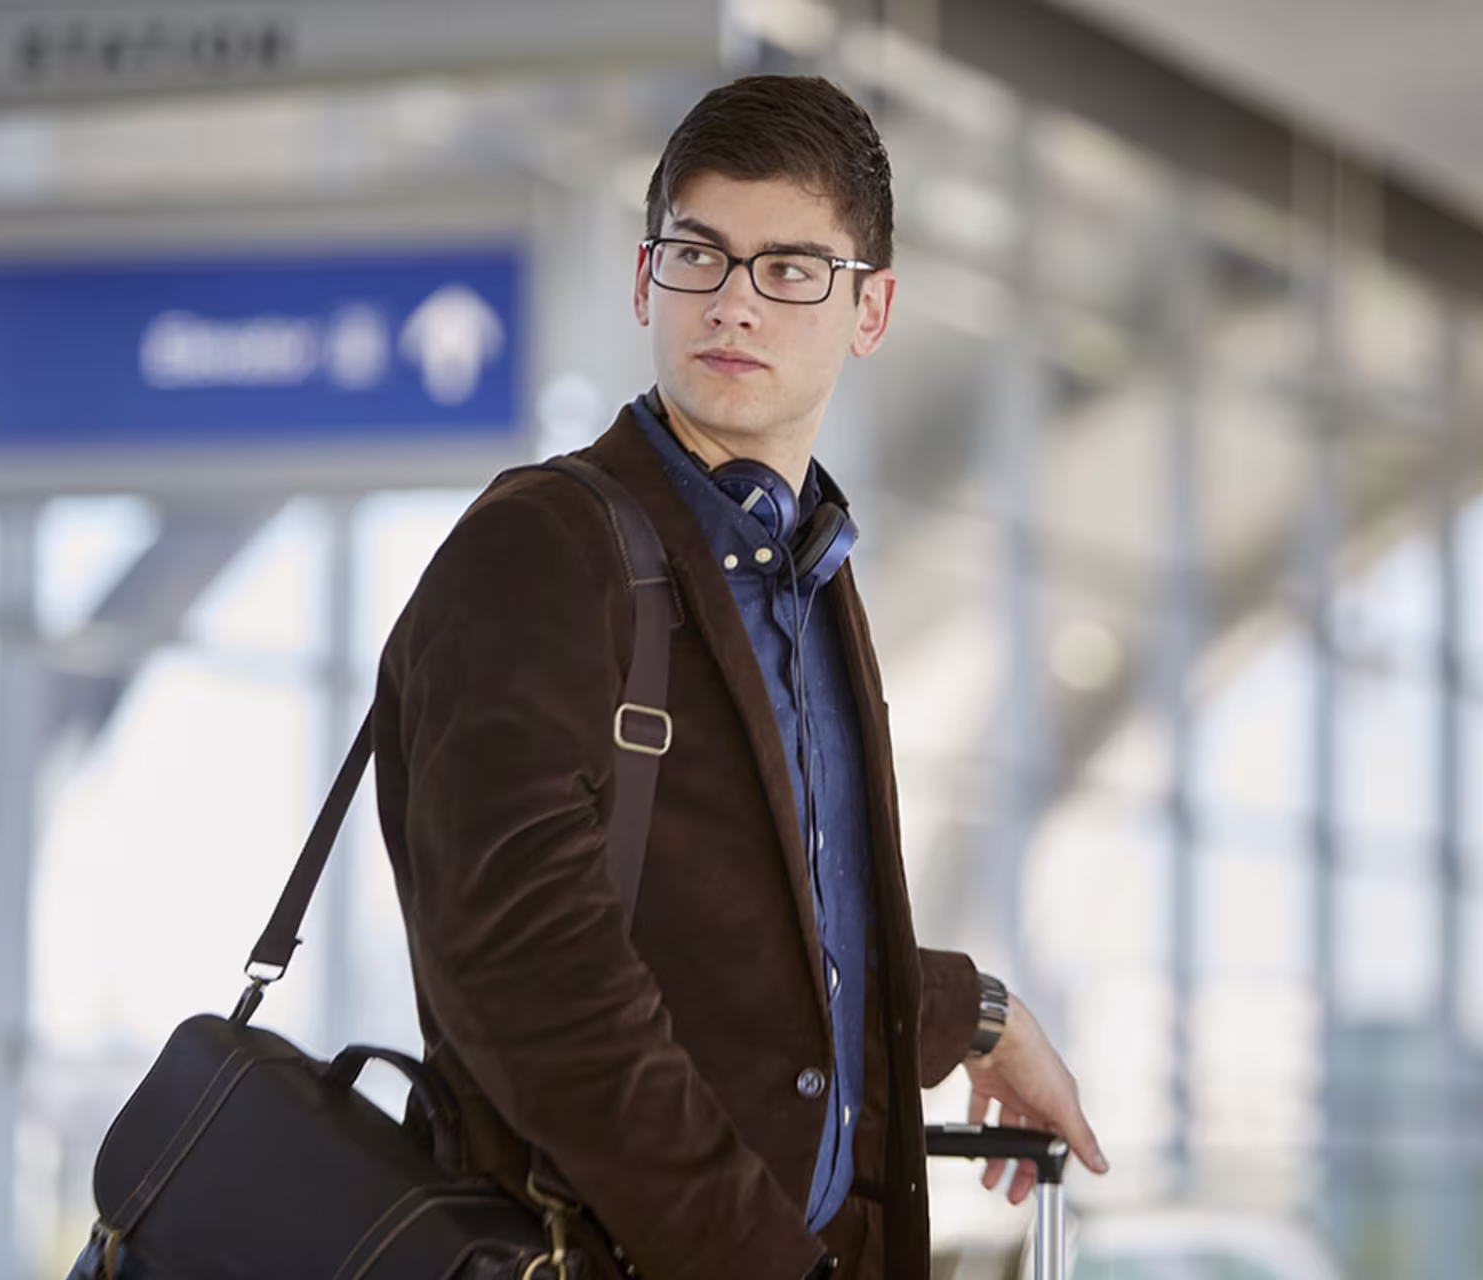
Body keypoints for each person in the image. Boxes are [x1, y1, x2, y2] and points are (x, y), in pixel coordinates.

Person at [373, 74, 1107, 1279]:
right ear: (644, 278)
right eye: (699, 256)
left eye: (791, 269)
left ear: (870, 310)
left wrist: (976, 1012)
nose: (734, 304)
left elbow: (762, 943)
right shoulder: (548, 548)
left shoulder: (807, 576)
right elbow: (528, 966)